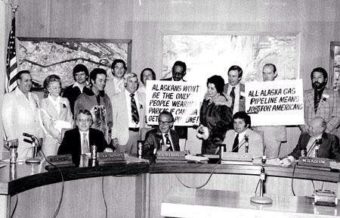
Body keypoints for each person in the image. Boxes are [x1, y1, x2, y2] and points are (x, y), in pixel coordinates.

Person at [1, 70, 43, 160]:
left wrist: (40, 135)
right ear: (18, 82)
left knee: (31, 170)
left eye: (30, 80)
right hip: (18, 142)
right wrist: (11, 137)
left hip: (33, 141)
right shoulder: (10, 97)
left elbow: (38, 118)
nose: (29, 83)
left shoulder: (34, 97)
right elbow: (6, 119)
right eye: (26, 80)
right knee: (19, 169)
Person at [254, 63, 287, 158]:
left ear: (275, 74)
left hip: (275, 131)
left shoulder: (283, 89)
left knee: (272, 161)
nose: (266, 76)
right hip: (258, 129)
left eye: (269, 73)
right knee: (255, 159)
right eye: (264, 73)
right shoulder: (256, 89)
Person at [111, 73, 146, 156]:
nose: (133, 84)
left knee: (136, 163)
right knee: (121, 163)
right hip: (122, 136)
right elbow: (113, 119)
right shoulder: (116, 98)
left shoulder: (143, 97)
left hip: (138, 135)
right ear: (125, 83)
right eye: (130, 81)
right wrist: (113, 137)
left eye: (135, 82)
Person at [74, 68, 112, 142]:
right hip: (87, 137)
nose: (103, 83)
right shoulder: (81, 98)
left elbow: (110, 119)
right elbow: (76, 120)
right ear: (92, 81)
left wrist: (109, 134)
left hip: (104, 137)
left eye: (104, 81)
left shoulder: (106, 98)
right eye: (100, 80)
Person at [301, 67, 340, 139]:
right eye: (314, 77)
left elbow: (338, 116)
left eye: (319, 77)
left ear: (325, 79)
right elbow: (299, 114)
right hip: (308, 134)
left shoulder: (334, 94)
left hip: (328, 135)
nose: (316, 80)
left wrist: (323, 131)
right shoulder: (305, 94)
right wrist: (305, 128)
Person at [197, 75, 233, 154]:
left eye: (212, 88)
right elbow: (202, 118)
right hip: (206, 140)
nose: (209, 90)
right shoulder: (206, 100)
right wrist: (201, 127)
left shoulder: (224, 103)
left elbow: (227, 123)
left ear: (218, 89)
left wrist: (211, 132)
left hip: (218, 141)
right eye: (208, 87)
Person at [40, 75, 73, 156]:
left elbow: (70, 119)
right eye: (55, 88)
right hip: (50, 139)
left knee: (64, 163)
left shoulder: (65, 100)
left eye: (59, 87)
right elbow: (47, 123)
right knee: (48, 163)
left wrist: (66, 136)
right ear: (48, 89)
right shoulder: (44, 102)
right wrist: (58, 136)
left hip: (65, 138)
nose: (58, 90)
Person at [162, 61, 188, 140]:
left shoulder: (189, 87)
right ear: (172, 71)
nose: (176, 76)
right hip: (163, 127)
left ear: (184, 73)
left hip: (180, 129)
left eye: (179, 73)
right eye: (175, 73)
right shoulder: (161, 84)